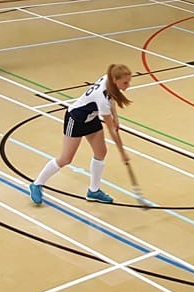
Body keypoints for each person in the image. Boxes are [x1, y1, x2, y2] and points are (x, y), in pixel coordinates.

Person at [29, 63, 133, 205]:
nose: (128, 85)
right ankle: (36, 184)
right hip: (76, 119)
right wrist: (122, 152)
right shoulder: (101, 98)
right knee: (66, 159)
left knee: (101, 152)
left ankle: (93, 191)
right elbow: (112, 131)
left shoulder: (108, 81)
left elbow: (112, 99)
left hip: (90, 118)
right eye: (125, 82)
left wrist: (115, 117)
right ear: (115, 80)